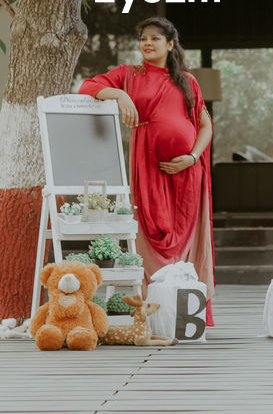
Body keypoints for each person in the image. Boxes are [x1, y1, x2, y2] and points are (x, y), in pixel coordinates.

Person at [78, 17, 215, 324]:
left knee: (183, 234)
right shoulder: (129, 74)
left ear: (170, 45)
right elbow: (87, 87)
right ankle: (152, 311)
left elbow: (205, 125)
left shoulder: (187, 80)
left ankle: (180, 311)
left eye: (155, 38)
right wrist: (121, 94)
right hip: (148, 166)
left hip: (186, 172)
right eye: (143, 39)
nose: (147, 43)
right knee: (152, 229)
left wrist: (192, 157)